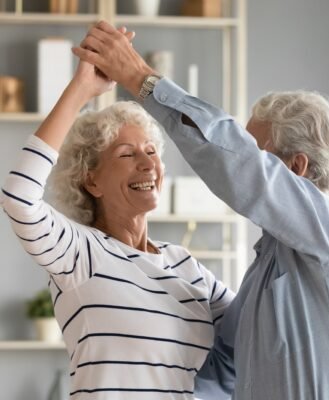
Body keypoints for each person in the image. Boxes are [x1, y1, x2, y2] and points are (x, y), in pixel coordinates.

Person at [72, 21, 329, 399]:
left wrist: (141, 78)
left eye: (254, 151)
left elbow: (237, 167)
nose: (238, 157)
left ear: (295, 168)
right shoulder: (264, 273)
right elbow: (218, 368)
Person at [1, 42, 234, 399]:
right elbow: (19, 196)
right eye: (127, 154)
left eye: (152, 151)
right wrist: (81, 88)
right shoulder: (81, 253)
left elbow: (253, 329)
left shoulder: (185, 265)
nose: (147, 164)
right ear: (91, 180)